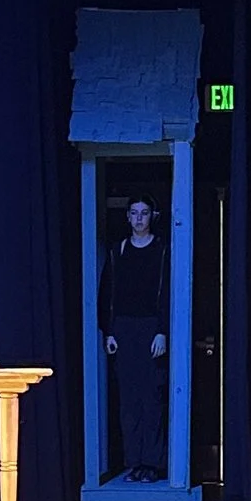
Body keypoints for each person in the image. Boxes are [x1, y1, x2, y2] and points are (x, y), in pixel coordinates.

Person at [99, 193, 170, 480]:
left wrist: (162, 330)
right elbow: (108, 293)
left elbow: (167, 293)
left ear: (152, 216)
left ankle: (153, 463)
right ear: (127, 217)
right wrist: (110, 331)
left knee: (151, 397)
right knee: (128, 399)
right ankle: (135, 461)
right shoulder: (119, 251)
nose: (139, 218)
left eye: (144, 213)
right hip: (125, 329)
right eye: (134, 213)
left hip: (151, 328)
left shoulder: (163, 250)